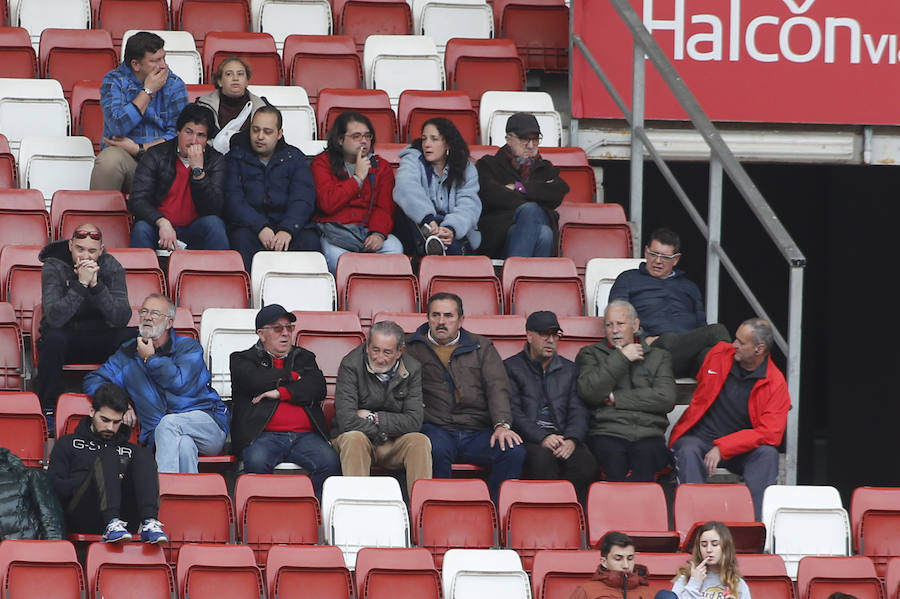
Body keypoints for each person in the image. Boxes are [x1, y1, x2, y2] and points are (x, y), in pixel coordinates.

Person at [83, 294, 230, 473]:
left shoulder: (188, 348)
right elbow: (94, 379)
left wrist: (150, 359)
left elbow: (180, 383)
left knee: (168, 424)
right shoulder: (128, 354)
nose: (147, 316)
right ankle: (181, 497)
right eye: (144, 312)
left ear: (169, 323)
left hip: (207, 425)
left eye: (155, 313)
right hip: (160, 437)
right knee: (184, 446)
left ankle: (163, 489)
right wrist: (120, 403)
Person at [405, 292, 524, 501]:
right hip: (436, 427)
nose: (442, 322)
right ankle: (439, 510)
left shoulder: (481, 346)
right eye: (436, 315)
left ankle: (492, 510)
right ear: (427, 318)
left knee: (513, 451)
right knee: (433, 450)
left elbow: (497, 387)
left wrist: (501, 425)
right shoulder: (411, 348)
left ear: (461, 320)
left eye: (449, 316)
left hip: (477, 429)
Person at [669, 319, 789, 520]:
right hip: (700, 437)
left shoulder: (775, 383)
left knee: (767, 455)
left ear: (759, 349)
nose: (734, 345)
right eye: (736, 339)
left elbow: (771, 434)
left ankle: (756, 530)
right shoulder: (719, 354)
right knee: (688, 450)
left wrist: (723, 447)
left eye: (741, 342)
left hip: (741, 448)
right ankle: (697, 528)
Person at [229, 304, 341, 497]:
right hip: (262, 436)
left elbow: (317, 388)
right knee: (256, 462)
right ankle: (265, 514)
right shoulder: (241, 359)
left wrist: (281, 393)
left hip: (306, 436)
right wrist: (293, 376)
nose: (285, 333)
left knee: (330, 463)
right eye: (277, 328)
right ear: (261, 334)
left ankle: (306, 508)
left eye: (289, 328)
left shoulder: (304, 357)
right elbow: (254, 381)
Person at [47, 383, 168, 544]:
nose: (110, 427)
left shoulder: (130, 450)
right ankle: (111, 522)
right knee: (109, 454)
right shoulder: (68, 443)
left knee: (143, 454)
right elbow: (54, 487)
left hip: (124, 519)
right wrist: (95, 477)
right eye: (104, 420)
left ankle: (149, 522)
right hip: (82, 513)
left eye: (116, 422)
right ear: (92, 412)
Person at [35, 224, 134, 418]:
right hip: (66, 336)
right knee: (53, 338)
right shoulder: (54, 265)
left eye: (92, 251)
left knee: (135, 337)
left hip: (100, 336)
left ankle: (130, 403)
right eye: (80, 249)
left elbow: (121, 318)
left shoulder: (112, 266)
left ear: (101, 251)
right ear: (71, 245)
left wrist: (96, 285)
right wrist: (80, 284)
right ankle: (48, 409)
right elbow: (55, 317)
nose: (85, 257)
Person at [608, 227, 730, 378]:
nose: (657, 261)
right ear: (646, 252)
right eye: (653, 254)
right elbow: (616, 318)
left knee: (710, 358)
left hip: (687, 353)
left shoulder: (689, 287)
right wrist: (644, 339)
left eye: (665, 257)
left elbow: (701, 326)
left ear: (676, 259)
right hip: (654, 351)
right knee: (716, 331)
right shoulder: (628, 279)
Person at [576, 300, 676, 482]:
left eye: (620, 324)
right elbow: (589, 392)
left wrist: (616, 397)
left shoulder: (659, 356)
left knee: (647, 460)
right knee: (612, 464)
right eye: (609, 325)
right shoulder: (590, 354)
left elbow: (666, 398)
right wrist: (622, 357)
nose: (615, 330)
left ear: (635, 325)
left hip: (648, 434)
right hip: (607, 432)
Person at [331, 320, 432, 496]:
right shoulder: (350, 364)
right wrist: (380, 433)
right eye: (375, 350)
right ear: (367, 346)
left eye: (387, 352)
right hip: (359, 440)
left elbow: (414, 421)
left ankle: (420, 511)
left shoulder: (412, 368)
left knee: (419, 441)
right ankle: (356, 508)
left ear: (400, 351)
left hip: (392, 443)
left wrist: (373, 417)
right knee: (354, 438)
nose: (379, 358)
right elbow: (346, 420)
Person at [505, 310, 596, 502]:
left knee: (585, 464)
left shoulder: (570, 370)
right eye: (545, 334)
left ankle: (571, 513)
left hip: (564, 436)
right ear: (529, 336)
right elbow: (513, 412)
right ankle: (547, 514)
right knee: (541, 461)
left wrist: (572, 439)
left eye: (555, 335)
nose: (551, 340)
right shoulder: (511, 367)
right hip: (530, 438)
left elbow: (578, 410)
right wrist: (542, 437)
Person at [91, 31, 188, 193]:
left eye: (164, 58)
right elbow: (117, 127)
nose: (164, 66)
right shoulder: (114, 81)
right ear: (136, 65)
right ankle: (100, 218)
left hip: (161, 165)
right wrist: (147, 91)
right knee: (109, 161)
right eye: (155, 61)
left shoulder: (174, 84)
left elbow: (180, 134)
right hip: (126, 162)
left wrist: (140, 148)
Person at [225, 105, 321, 270]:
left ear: (279, 134)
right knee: (240, 238)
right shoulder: (235, 157)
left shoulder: (295, 157)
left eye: (267, 132)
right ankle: (249, 294)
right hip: (250, 228)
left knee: (310, 240)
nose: (260, 136)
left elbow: (303, 199)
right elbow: (233, 200)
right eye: (255, 130)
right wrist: (260, 227)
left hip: (289, 228)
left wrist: (288, 229)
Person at [128, 103, 229, 251]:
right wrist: (161, 222)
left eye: (201, 135)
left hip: (194, 230)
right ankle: (142, 274)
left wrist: (198, 172)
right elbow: (137, 200)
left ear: (207, 139)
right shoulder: (156, 154)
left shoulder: (215, 160)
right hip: (159, 226)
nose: (193, 141)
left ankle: (219, 274)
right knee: (141, 228)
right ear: (178, 131)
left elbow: (214, 209)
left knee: (215, 224)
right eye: (189, 132)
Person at [312, 111, 403, 273]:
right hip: (337, 234)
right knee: (337, 260)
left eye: (368, 136)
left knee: (395, 248)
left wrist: (378, 234)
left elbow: (385, 207)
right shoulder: (322, 163)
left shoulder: (381, 166)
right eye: (356, 136)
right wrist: (358, 179)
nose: (363, 141)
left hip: (369, 232)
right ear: (340, 140)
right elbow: (327, 203)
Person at [476, 112, 569, 259]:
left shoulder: (545, 167)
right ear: (509, 140)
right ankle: (530, 280)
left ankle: (515, 275)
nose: (531, 145)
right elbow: (491, 195)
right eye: (524, 139)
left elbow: (558, 191)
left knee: (533, 214)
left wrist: (519, 188)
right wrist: (538, 194)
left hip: (526, 228)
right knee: (544, 233)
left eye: (535, 139)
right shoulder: (489, 164)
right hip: (500, 235)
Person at [393, 117, 481, 256]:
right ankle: (435, 246)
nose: (427, 144)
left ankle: (438, 246)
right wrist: (427, 220)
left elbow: (469, 204)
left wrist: (450, 228)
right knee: (407, 211)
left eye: (434, 139)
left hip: (451, 227)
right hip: (420, 224)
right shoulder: (412, 159)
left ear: (447, 144)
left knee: (449, 240)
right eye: (424, 139)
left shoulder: (466, 168)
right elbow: (406, 188)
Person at [670, 521, 751, 599]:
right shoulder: (686, 577)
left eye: (715, 544)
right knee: (664, 595)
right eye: (704, 545)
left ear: (725, 547)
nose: (708, 549)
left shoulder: (738, 584)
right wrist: (694, 583)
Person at [569, 531, 654, 599]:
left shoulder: (649, 593)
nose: (626, 565)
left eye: (630, 558)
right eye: (618, 559)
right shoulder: (587, 591)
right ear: (604, 561)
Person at [196, 57, 265, 136]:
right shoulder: (203, 106)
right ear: (219, 81)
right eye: (229, 74)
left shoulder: (261, 106)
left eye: (240, 74)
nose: (235, 78)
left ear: (247, 81)